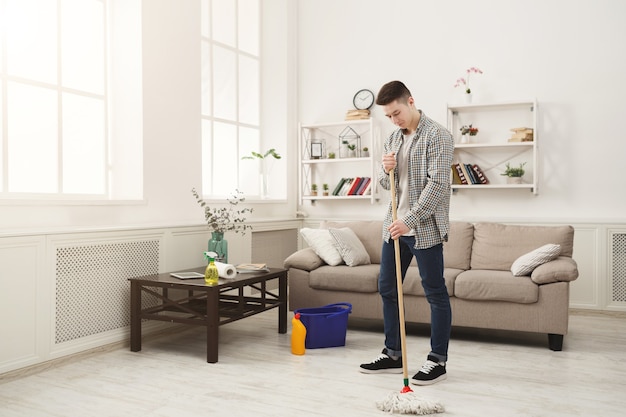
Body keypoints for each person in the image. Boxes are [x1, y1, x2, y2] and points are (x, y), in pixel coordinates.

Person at [359, 80, 454, 385]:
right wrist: (385, 168)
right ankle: (393, 353)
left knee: (435, 292)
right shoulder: (392, 140)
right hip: (395, 227)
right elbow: (388, 186)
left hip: (423, 227)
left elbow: (438, 186)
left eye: (397, 113)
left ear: (410, 101)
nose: (394, 120)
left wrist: (410, 219)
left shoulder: (438, 135)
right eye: (388, 116)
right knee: (387, 288)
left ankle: (437, 361)